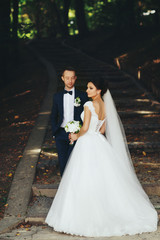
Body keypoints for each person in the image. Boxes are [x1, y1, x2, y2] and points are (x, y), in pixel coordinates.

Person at [46, 78, 158, 237]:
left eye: (90, 88)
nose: (87, 90)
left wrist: (75, 135)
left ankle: (84, 217)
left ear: (98, 90)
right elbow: (103, 130)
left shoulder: (88, 105)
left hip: (86, 143)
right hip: (99, 143)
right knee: (104, 178)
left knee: (83, 177)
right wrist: (89, 131)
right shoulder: (105, 107)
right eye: (87, 88)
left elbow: (85, 128)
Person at [51, 67, 88, 176]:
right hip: (61, 134)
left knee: (75, 163)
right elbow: (53, 115)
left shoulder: (82, 95)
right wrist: (55, 132)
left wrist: (80, 132)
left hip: (77, 134)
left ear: (75, 78)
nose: (70, 81)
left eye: (72, 78)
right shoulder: (57, 96)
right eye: (67, 78)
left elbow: (86, 115)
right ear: (62, 78)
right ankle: (65, 191)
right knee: (63, 163)